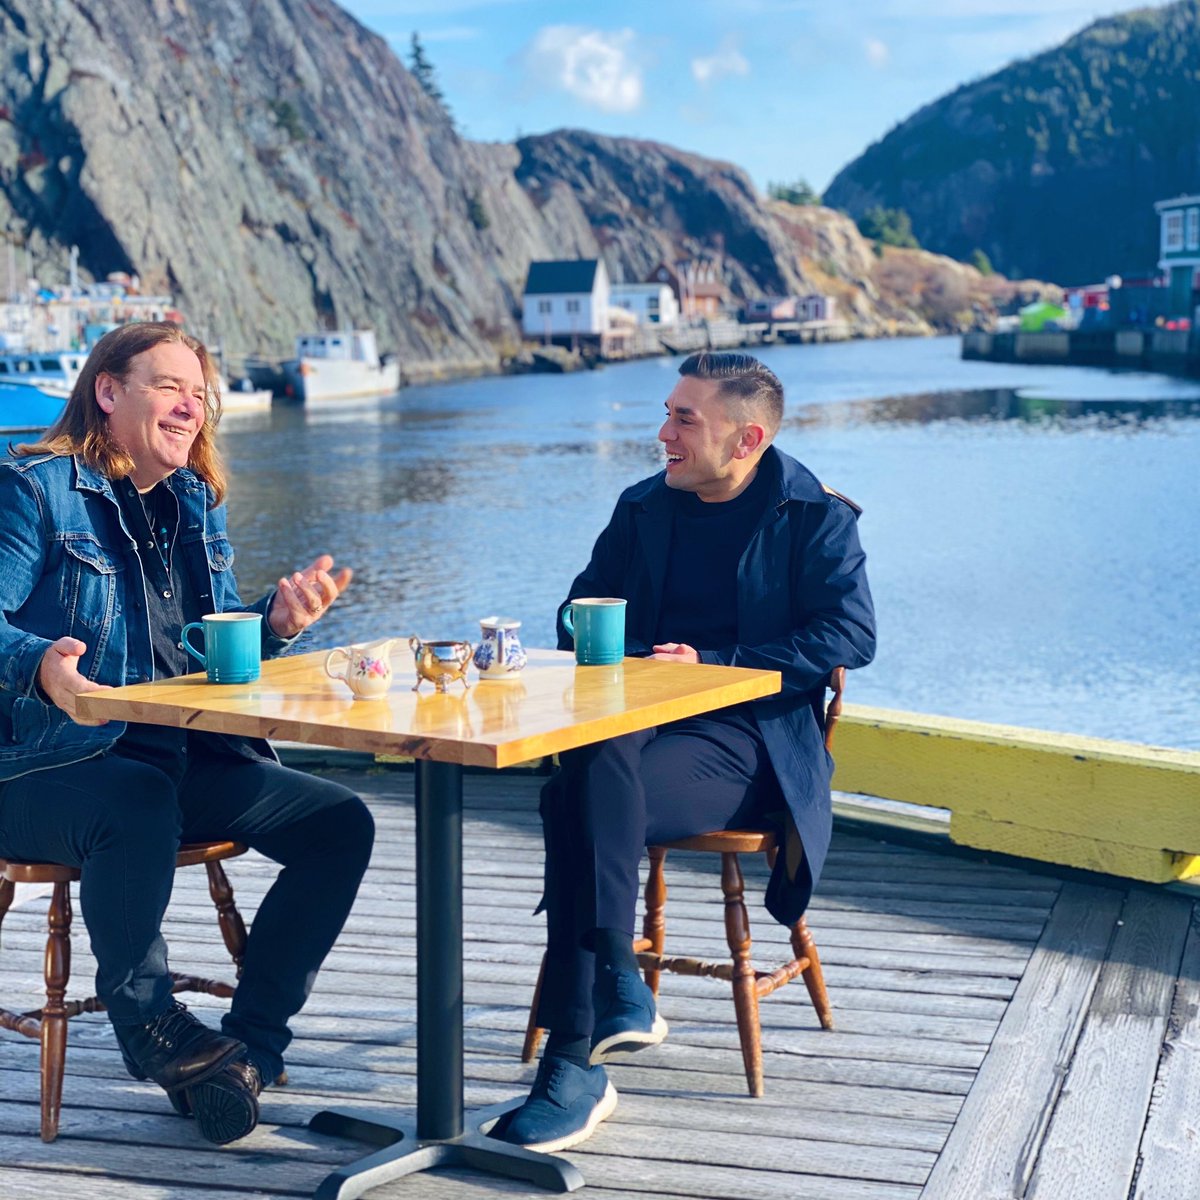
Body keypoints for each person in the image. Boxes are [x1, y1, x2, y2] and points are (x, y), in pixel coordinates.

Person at [0, 323, 375, 1144]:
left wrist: (272, 622)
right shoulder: (32, 488)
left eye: (200, 394)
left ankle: (247, 1048)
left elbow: (207, 641)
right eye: (171, 386)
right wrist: (41, 666)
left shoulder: (193, 502)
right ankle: (154, 1028)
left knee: (339, 823)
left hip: (180, 756)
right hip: (41, 764)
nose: (192, 406)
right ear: (109, 392)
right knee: (133, 798)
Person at [493, 351, 876, 1152]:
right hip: (639, 726)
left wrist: (718, 667)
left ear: (746, 440)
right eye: (666, 412)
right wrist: (624, 646)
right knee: (587, 770)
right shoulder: (644, 506)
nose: (661, 433)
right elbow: (575, 611)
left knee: (574, 795)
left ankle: (581, 1048)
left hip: (751, 742)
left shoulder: (816, 515)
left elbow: (849, 635)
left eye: (683, 420)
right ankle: (609, 997)